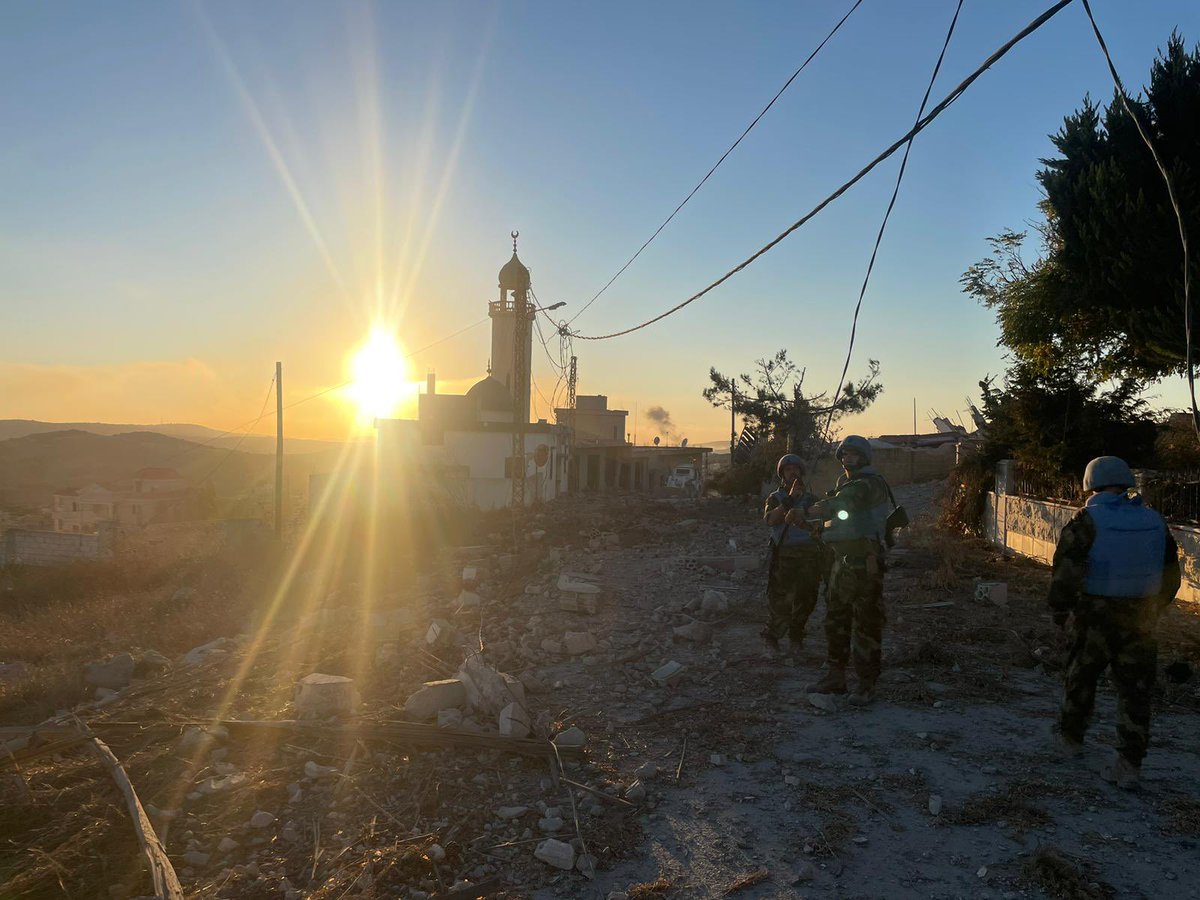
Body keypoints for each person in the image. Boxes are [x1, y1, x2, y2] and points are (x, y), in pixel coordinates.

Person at [1048, 455, 1181, 789]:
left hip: (1095, 614)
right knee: (1136, 692)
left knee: (1080, 678)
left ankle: (1071, 740)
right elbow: (1171, 575)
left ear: (1090, 484)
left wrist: (1060, 612)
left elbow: (1065, 572)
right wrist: (1153, 607)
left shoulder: (1087, 520)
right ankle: (1129, 765)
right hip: (1140, 616)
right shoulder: (1153, 520)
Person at [805, 435, 893, 705]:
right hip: (841, 560)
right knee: (836, 619)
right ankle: (836, 676)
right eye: (845, 454)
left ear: (864, 457)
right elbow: (838, 522)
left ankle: (866, 683)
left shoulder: (870, 484)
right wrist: (814, 524)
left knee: (866, 623)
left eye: (854, 454)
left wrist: (817, 509)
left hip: (864, 562)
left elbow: (846, 504)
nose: (848, 459)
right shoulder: (845, 485)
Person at [762, 454, 823, 657]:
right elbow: (771, 520)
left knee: (806, 598)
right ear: (782, 474)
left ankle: (796, 636)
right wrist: (789, 500)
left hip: (809, 554)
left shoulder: (811, 498)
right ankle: (772, 637)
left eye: (796, 469)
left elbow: (820, 523)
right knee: (780, 601)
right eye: (788, 470)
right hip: (784, 554)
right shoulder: (775, 498)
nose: (793, 472)